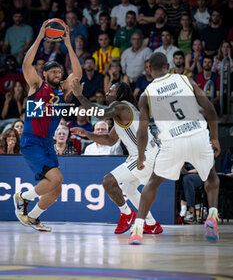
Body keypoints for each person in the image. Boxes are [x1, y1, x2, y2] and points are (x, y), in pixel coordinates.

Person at [128, 52, 220, 244]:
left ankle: (137, 227)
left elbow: (143, 131)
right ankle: (212, 215)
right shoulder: (185, 80)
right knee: (211, 175)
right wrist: (215, 138)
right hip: (197, 135)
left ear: (149, 69)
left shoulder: (147, 94)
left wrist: (141, 155)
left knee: (153, 182)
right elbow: (210, 108)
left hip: (172, 142)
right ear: (168, 65)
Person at [13, 19, 82, 232]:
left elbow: (77, 75)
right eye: (54, 72)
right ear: (45, 74)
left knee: (56, 189)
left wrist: (69, 44)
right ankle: (22, 198)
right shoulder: (36, 86)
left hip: (46, 143)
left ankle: (33, 217)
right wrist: (40, 37)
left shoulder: (62, 90)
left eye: (60, 72)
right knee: (56, 178)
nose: (58, 74)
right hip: (32, 141)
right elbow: (26, 64)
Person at [70, 80, 163, 235]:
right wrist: (87, 134)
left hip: (145, 155)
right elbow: (109, 140)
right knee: (129, 188)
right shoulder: (123, 113)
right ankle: (152, 224)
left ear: (120, 94)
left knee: (108, 181)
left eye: (111, 91)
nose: (107, 93)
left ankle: (126, 214)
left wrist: (80, 96)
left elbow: (101, 113)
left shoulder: (121, 106)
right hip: (147, 154)